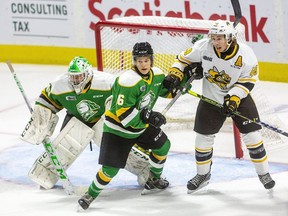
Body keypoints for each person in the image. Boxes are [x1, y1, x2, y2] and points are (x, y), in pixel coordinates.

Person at [164, 20, 275, 193]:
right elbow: (182, 59)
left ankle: (264, 173)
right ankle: (203, 175)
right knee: (202, 140)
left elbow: (248, 80)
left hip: (240, 98)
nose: (215, 42)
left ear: (230, 38)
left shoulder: (246, 54)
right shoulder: (203, 47)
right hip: (210, 98)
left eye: (219, 38)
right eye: (213, 38)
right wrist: (176, 73)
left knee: (253, 138)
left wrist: (234, 98)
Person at [20, 56, 150, 190]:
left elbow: (126, 95)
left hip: (101, 119)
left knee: (117, 147)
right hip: (75, 117)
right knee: (63, 148)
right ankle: (45, 175)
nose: (76, 80)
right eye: (73, 77)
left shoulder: (107, 82)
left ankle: (147, 171)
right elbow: (46, 101)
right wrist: (41, 119)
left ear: (88, 74)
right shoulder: (59, 85)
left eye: (79, 76)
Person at [78, 42, 172, 210]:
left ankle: (154, 179)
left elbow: (165, 91)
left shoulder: (156, 75)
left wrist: (180, 82)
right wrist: (149, 117)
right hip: (118, 129)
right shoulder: (127, 81)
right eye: (139, 61)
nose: (143, 64)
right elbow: (125, 116)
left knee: (163, 146)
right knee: (110, 170)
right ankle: (90, 194)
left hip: (141, 125)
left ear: (152, 60)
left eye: (146, 60)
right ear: (134, 61)